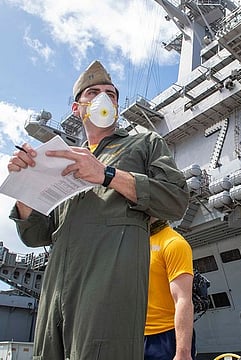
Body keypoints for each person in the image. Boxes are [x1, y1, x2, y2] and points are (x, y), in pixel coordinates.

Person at [7, 60, 189, 360]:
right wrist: (24, 186)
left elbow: (176, 199)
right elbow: (37, 235)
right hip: (56, 288)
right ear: (77, 109)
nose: (104, 98)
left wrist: (106, 174)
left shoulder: (144, 143)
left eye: (111, 94)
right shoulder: (60, 160)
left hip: (109, 284)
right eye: (92, 92)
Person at [144, 219, 195, 360]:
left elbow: (183, 299)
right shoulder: (135, 244)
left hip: (165, 337)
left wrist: (183, 353)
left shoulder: (174, 243)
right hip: (135, 336)